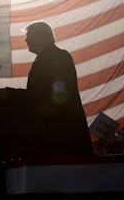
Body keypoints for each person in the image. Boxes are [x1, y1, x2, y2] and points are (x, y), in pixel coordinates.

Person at [24, 21, 93, 157]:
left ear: (40, 36)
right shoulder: (55, 56)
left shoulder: (52, 57)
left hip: (60, 134)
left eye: (29, 36)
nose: (26, 40)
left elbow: (52, 95)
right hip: (64, 131)